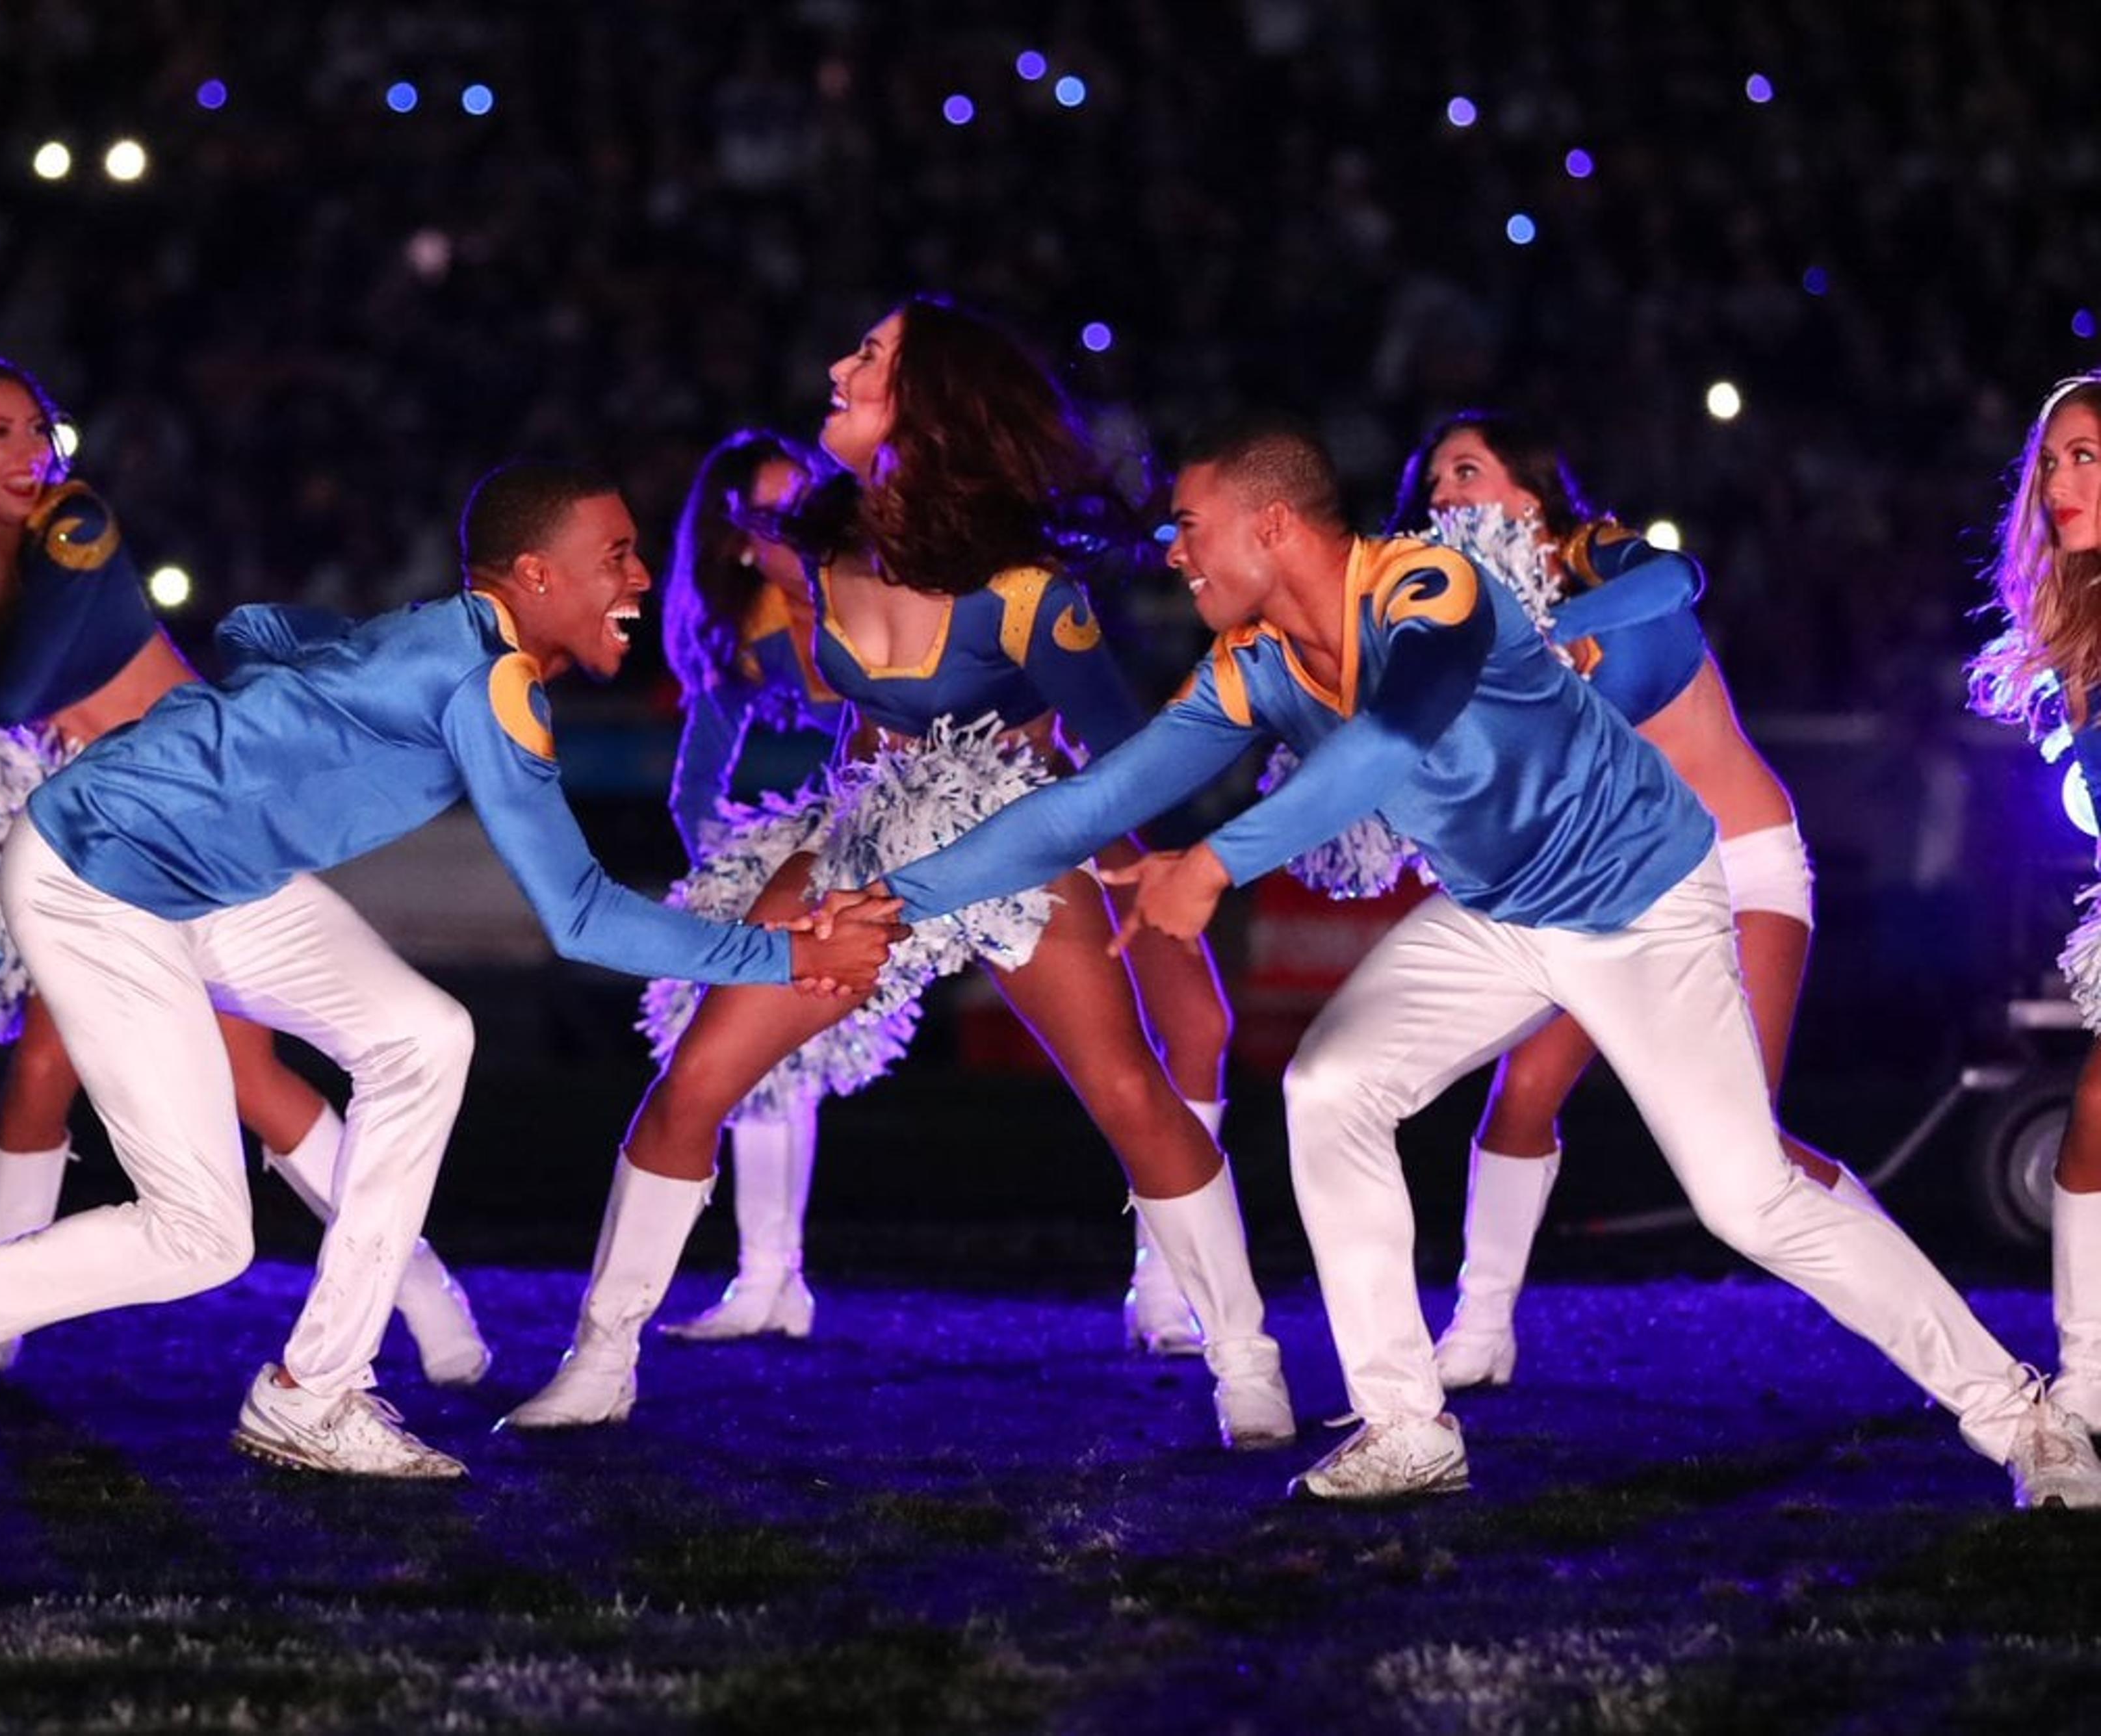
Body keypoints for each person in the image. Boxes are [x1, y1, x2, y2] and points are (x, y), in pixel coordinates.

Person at [879, 413, 2101, 1509]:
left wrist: (1216, 865)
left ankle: (2024, 1416)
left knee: (1749, 1199)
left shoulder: (1434, 586)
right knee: (1330, 1088)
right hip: (1500, 917)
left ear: (1271, 524)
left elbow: (1390, 738)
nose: (1173, 552)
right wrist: (896, 900)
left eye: (1188, 528)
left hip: (1641, 900)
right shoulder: (1249, 665)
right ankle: (1407, 1427)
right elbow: (1092, 804)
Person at [0, 461, 903, 1484]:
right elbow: (584, 916)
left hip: (205, 881)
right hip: (98, 879)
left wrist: (287, 693)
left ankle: (313, 1392)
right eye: (617, 557)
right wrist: (792, 951)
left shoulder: (447, 636)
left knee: (424, 1035)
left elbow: (253, 629)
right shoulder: (487, 685)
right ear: (533, 581)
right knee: (201, 1234)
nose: (644, 578)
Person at [504, 299, 1276, 1446]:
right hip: (864, 838)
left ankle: (1245, 1366)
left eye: (868, 358)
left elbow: (1125, 755)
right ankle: (600, 1360)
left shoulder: (1026, 593)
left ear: (931, 408)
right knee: (697, 1079)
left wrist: (1150, 864)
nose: (835, 365)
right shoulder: (815, 548)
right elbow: (732, 631)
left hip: (1016, 832)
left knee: (1127, 1090)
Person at [0, 353, 487, 1385]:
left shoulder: (77, 526)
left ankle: (421, 1291)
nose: (35, 453)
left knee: (248, 1077)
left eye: (39, 427)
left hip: (202, 816)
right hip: (100, 842)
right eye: (1, 434)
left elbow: (17, 686)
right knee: (39, 1068)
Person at [1391, 411, 1867, 1390]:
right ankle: (1481, 1334)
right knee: (1523, 1094)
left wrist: (1545, 636)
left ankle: (1897, 1278)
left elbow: (1677, 580)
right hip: (1620, 887)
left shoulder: (1591, 557)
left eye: (1466, 470)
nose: (1443, 493)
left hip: (1741, 867)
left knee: (1749, 1152)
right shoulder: (1446, 631)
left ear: (1525, 491)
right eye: (1433, 479)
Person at [648, 429, 845, 1341]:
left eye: (809, 498)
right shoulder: (751, 635)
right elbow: (695, 789)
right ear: (736, 538)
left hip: (941, 838)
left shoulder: (879, 583)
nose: (801, 525)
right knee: (764, 1055)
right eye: (775, 514)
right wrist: (729, 878)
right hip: (824, 866)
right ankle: (771, 1283)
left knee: (1118, 1041)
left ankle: (1171, 1293)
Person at [1966, 372, 2101, 1432]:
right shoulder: (2079, 625)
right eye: (2050, 460)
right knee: (2090, 1129)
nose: (2059, 480)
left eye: (2086, 457)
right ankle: (2089, 1386)